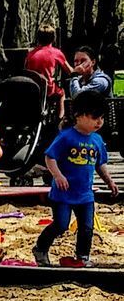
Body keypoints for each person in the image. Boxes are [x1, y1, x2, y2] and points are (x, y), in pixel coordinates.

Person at [34, 91, 118, 267]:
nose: (99, 122)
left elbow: (99, 164)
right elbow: (50, 157)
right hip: (64, 193)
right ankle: (40, 248)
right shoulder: (66, 137)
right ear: (79, 115)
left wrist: (109, 181)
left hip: (85, 194)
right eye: (95, 117)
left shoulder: (97, 140)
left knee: (87, 227)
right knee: (61, 224)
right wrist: (58, 175)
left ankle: (82, 256)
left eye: (102, 117)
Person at [24, 25, 72, 119]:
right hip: (47, 89)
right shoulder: (56, 52)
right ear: (53, 39)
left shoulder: (30, 54)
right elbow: (70, 71)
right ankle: (60, 118)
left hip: (31, 88)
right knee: (62, 93)